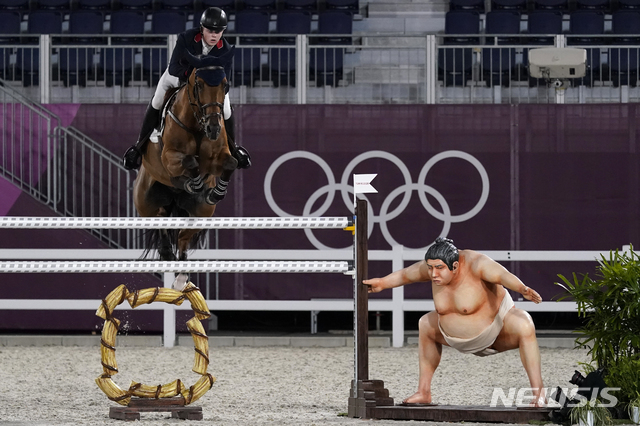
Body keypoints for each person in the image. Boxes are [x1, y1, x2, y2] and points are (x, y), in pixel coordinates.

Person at [363, 237, 546, 407]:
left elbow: (502, 275)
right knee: (426, 323)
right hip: (453, 338)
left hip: (495, 333)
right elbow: (405, 275)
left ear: (455, 266)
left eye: (439, 268)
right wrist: (382, 283)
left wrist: (521, 288)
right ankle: (423, 392)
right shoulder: (435, 266)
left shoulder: (477, 264)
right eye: (430, 268)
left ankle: (539, 394)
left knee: (524, 323)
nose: (433, 274)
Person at [122, 7, 251, 172]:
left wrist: (217, 90)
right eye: (210, 30)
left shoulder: (225, 49)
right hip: (178, 77)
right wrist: (191, 77)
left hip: (209, 86)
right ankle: (138, 146)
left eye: (218, 31)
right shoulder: (186, 38)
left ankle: (234, 149)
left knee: (225, 109)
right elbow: (174, 66)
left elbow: (226, 78)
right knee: (157, 99)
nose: (214, 35)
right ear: (202, 28)